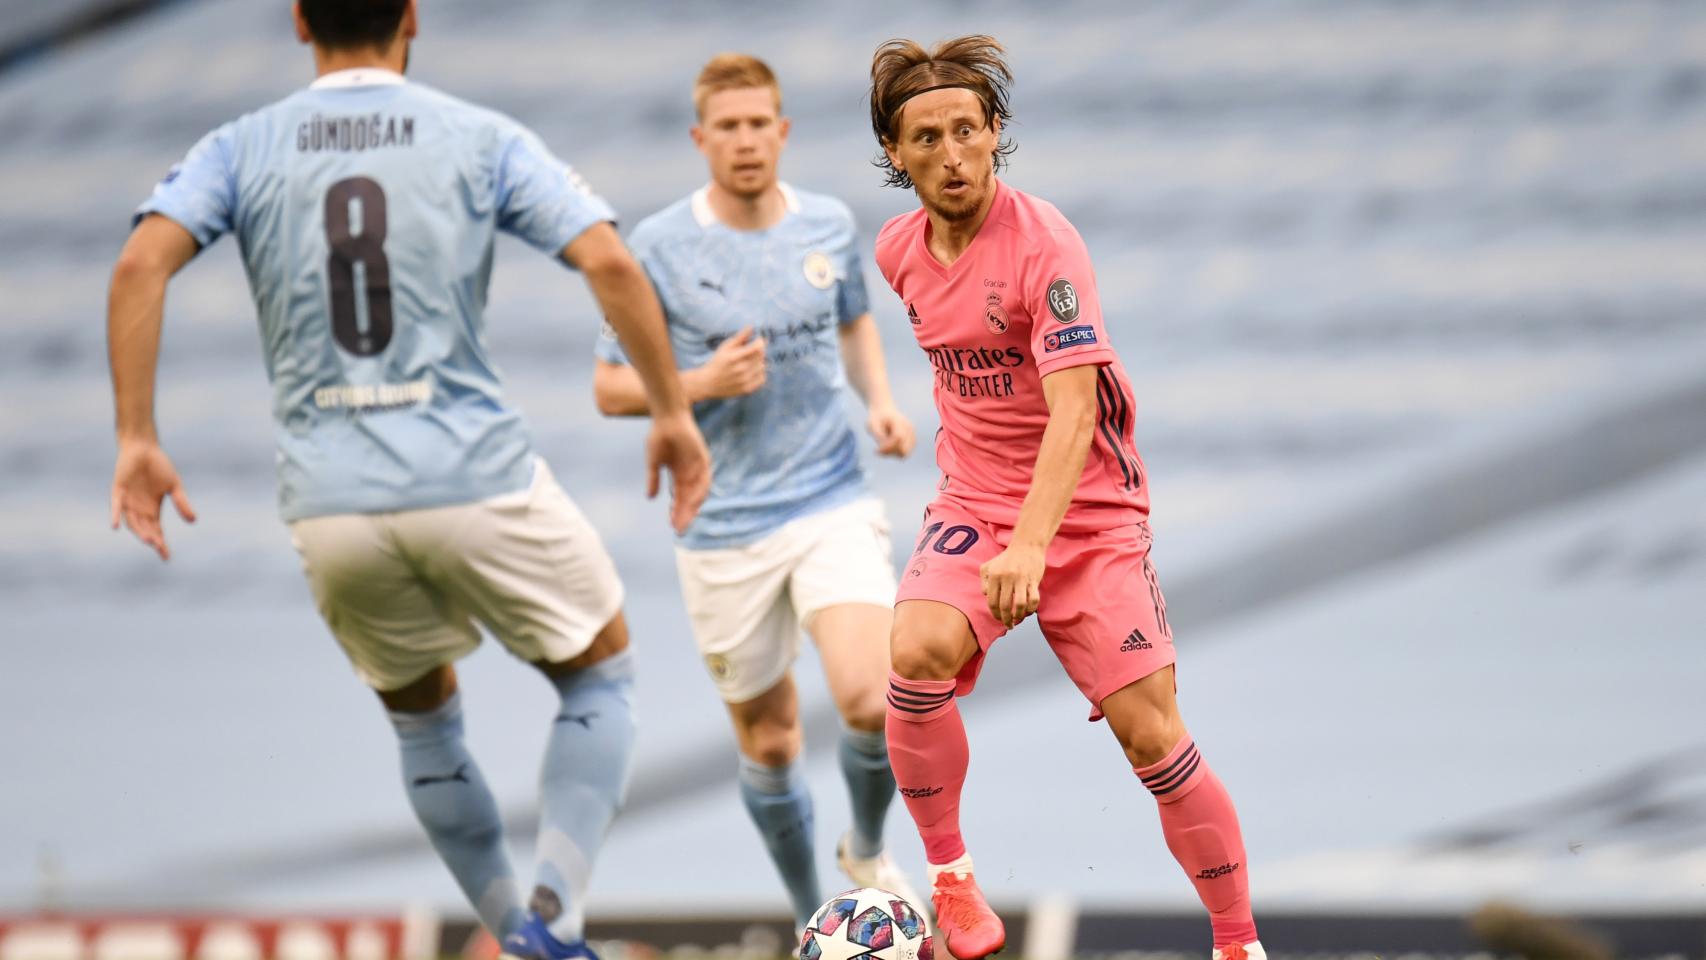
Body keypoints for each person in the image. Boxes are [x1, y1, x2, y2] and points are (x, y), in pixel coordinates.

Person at [105, 3, 710, 958]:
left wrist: (137, 435)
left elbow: (142, 260)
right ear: (412, 17)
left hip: (330, 500)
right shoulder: (476, 135)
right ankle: (551, 919)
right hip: (473, 475)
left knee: (425, 725)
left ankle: (509, 929)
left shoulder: (240, 146)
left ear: (301, 21)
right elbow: (607, 259)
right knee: (600, 675)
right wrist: (672, 412)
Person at [866, 35, 1263, 960]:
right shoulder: (898, 251)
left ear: (996, 133)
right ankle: (954, 884)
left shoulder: (1046, 245)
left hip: (1087, 515)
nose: (951, 153)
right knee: (915, 649)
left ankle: (1239, 946)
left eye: (968, 130)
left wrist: (1034, 546)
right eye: (927, 137)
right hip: (975, 501)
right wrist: (998, 529)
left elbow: (1075, 413)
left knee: (1151, 738)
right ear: (897, 153)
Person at [591, 53, 923, 930]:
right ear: (702, 139)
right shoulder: (657, 247)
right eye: (726, 127)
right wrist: (696, 385)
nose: (744, 141)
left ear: (783, 132)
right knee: (771, 741)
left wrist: (880, 402)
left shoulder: (825, 223)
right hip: (725, 525)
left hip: (830, 498)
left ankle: (862, 845)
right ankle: (810, 913)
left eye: (758, 124)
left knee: (872, 695)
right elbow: (610, 387)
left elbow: (852, 316)